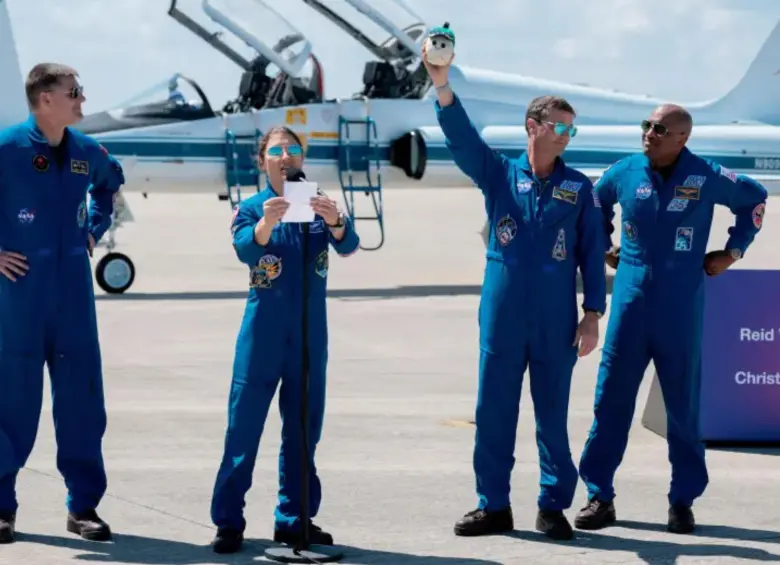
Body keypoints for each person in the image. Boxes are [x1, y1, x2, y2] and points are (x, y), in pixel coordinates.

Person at [421, 45, 607, 541]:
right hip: (502, 314)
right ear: (533, 127)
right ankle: (493, 505)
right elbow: (461, 140)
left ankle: (552, 506)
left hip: (554, 318)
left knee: (552, 414)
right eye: (560, 127)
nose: (567, 136)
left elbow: (592, 252)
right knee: (494, 412)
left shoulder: (579, 188)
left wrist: (591, 313)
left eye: (572, 129)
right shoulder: (500, 175)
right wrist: (442, 85)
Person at [575, 104, 768, 534]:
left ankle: (682, 501)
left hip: (680, 307)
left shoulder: (706, 175)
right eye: (646, 125)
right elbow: (593, 206)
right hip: (630, 306)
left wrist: (733, 251)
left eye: (660, 129)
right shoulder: (624, 172)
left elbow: (754, 197)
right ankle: (598, 496)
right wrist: (604, 246)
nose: (649, 133)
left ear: (682, 138)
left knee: (682, 407)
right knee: (610, 402)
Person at [209, 126, 360, 554]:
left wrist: (334, 220)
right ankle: (228, 520)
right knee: (243, 428)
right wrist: (265, 224)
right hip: (264, 333)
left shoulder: (317, 204)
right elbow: (244, 247)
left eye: (294, 149)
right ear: (263, 161)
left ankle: (295, 518)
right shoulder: (253, 207)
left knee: (303, 430)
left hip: (310, 335)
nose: (287, 156)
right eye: (277, 150)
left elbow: (350, 244)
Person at [0, 63, 125, 544]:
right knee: (12, 400)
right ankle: (1, 505)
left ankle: (83, 506)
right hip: (20, 296)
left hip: (73, 296)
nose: (82, 101)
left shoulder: (86, 150)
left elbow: (109, 184)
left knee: (82, 402)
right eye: (74, 93)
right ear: (45, 98)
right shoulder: (8, 148)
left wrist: (92, 230)